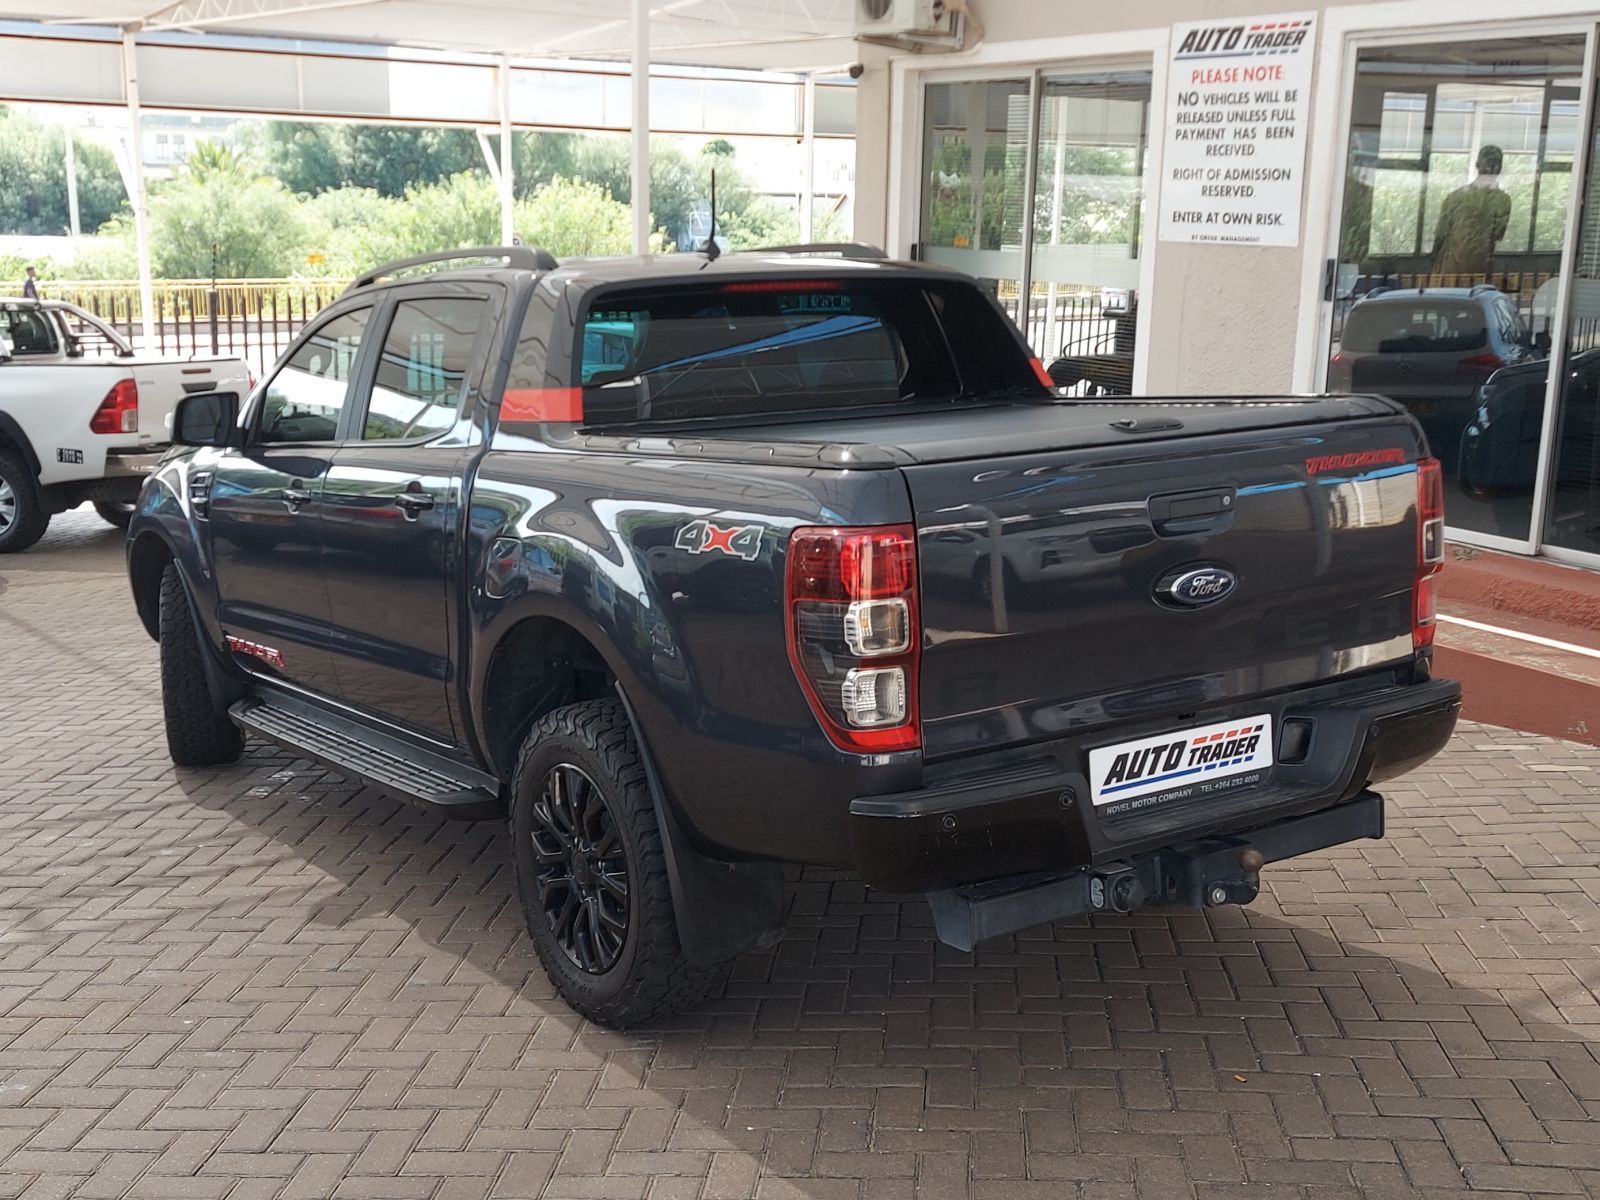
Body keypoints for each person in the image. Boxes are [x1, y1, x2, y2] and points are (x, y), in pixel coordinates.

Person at [1431, 144, 1512, 278]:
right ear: (1500, 169)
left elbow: (1440, 235)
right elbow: (1497, 235)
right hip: (1480, 269)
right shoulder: (1503, 201)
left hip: (1449, 270)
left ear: (1477, 165)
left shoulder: (1455, 197)